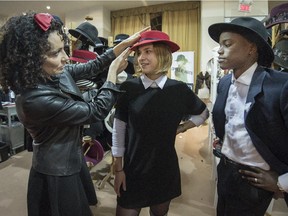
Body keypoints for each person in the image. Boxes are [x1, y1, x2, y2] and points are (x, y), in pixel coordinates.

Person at [0, 11, 149, 216]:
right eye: (54, 53)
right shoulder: (34, 99)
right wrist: (112, 74)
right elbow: (95, 111)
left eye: (64, 49)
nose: (64, 58)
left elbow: (93, 66)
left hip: (71, 156)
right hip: (56, 169)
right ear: (31, 59)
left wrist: (119, 48)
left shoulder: (57, 73)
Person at [112, 30, 209, 216]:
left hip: (164, 169)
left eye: (148, 51)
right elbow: (119, 129)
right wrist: (118, 169)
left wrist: (180, 128)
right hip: (133, 169)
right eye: (139, 53)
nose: (141, 58)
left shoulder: (178, 89)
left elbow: (203, 113)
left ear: (163, 54)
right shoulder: (129, 88)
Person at [208, 16, 288, 216]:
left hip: (255, 179)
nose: (219, 50)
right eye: (220, 45)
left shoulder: (280, 85)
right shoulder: (225, 83)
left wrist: (282, 181)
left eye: (227, 44)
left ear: (251, 48)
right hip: (225, 170)